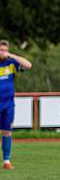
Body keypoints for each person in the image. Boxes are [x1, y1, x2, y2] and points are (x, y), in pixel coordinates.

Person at [0, 40, 32, 170]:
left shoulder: (11, 63)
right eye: (0, 50)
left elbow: (28, 65)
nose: (2, 52)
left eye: (4, 50)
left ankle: (6, 161)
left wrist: (11, 55)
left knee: (7, 132)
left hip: (8, 104)